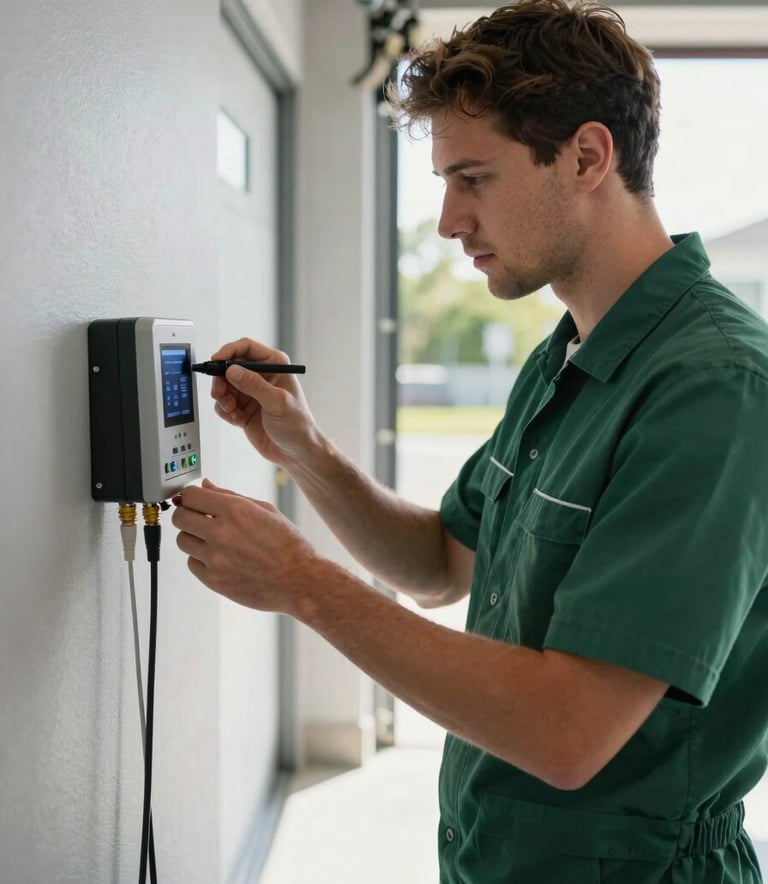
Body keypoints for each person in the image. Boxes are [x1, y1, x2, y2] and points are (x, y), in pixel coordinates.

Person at [172, 1, 768, 881]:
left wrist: (302, 585)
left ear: (588, 158)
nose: (448, 221)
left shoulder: (715, 390)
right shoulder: (567, 352)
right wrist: (302, 449)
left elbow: (569, 733)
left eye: (473, 178)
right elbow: (440, 564)